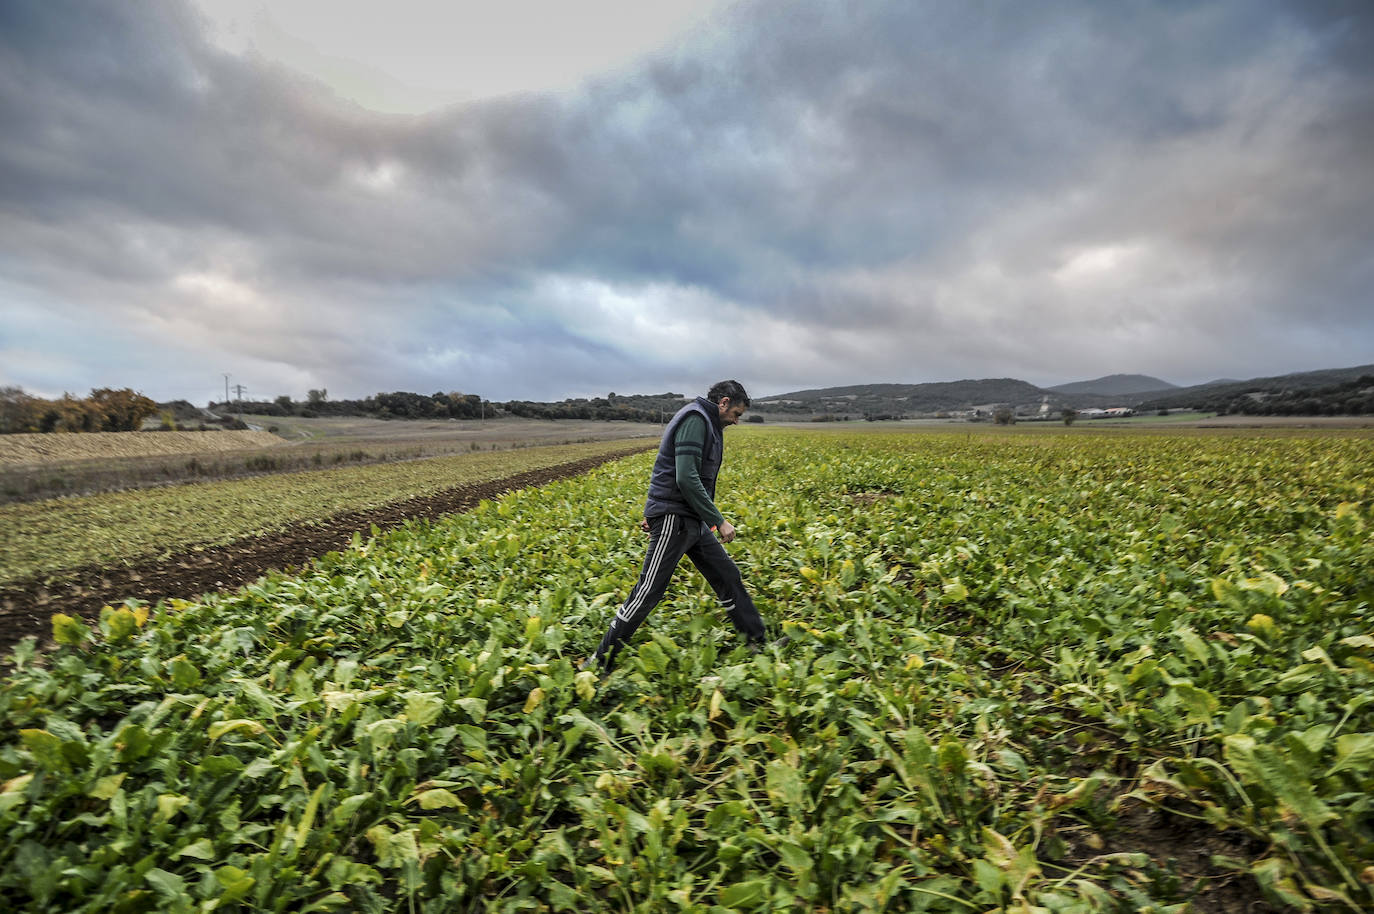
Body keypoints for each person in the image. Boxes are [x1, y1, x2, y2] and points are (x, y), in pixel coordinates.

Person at [584, 379, 767, 672]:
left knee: (727, 575)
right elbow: (685, 477)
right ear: (723, 403)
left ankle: (757, 641)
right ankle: (600, 661)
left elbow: (669, 468)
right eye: (736, 414)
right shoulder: (696, 419)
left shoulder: (709, 424)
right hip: (676, 517)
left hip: (689, 518)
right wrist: (718, 520)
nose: (736, 421)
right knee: (649, 591)